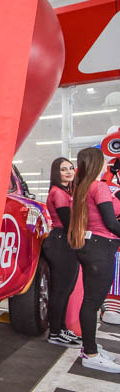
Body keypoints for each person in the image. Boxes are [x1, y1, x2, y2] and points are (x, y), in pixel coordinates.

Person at [68, 146, 120, 373]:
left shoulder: (82, 187)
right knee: (92, 303)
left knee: (90, 302)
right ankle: (90, 353)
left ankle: (90, 348)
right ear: (97, 163)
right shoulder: (98, 187)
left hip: (91, 247)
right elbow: (111, 222)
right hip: (100, 249)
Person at [42, 157, 80, 346]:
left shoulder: (65, 192)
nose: (69, 172)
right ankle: (55, 332)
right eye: (64, 169)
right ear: (56, 173)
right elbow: (68, 223)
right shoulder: (58, 193)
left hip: (64, 242)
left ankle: (61, 329)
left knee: (66, 290)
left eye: (71, 168)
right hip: (60, 242)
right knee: (60, 291)